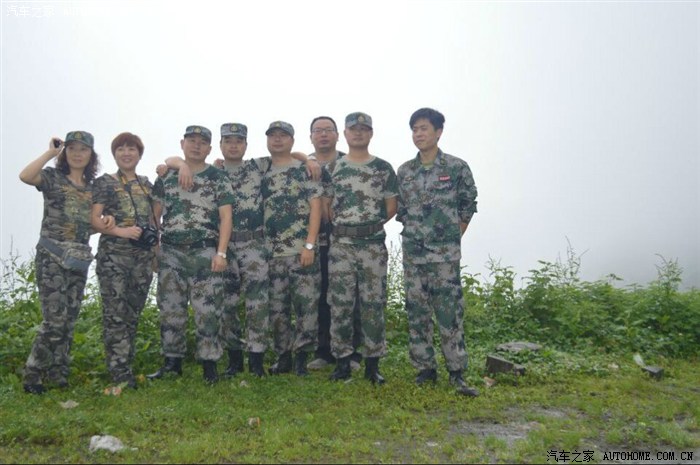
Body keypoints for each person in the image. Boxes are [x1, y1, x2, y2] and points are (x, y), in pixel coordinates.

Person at [159, 124, 319, 378]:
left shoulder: (258, 167)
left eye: (239, 141)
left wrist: (308, 159)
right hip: (222, 246)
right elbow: (169, 161)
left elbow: (288, 156)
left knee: (258, 304)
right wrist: (179, 164)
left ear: (246, 145)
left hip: (254, 245)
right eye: (228, 141)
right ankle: (234, 360)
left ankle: (256, 360)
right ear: (220, 146)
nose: (233, 146)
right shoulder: (214, 171)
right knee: (226, 304)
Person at [396, 108, 480, 397]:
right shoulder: (405, 171)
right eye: (415, 129)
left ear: (438, 132)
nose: (418, 134)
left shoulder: (456, 167)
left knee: (449, 313)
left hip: (444, 257)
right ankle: (425, 369)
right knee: (417, 312)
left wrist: (452, 237)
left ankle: (457, 371)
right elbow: (402, 211)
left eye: (424, 128)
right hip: (414, 255)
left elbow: (468, 204)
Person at [19, 131, 108, 394]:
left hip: (78, 258)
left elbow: (92, 224)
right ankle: (33, 375)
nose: (77, 154)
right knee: (54, 320)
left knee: (69, 320)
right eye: (72, 149)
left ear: (91, 155)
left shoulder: (94, 188)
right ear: (65, 152)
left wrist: (107, 223)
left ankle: (58, 374)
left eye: (83, 149)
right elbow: (25, 176)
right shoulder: (52, 177)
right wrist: (50, 153)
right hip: (52, 257)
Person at [148, 125, 234, 384]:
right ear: (182, 144)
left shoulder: (217, 177)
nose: (196, 146)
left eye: (202, 142)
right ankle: (172, 362)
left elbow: (226, 217)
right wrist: (155, 250)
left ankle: (209, 364)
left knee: (207, 310)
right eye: (192, 140)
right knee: (170, 308)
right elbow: (155, 215)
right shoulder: (167, 177)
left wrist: (221, 253)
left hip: (204, 251)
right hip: (171, 251)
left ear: (209, 148)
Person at [325, 112, 398, 384]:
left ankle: (372, 364)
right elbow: (326, 205)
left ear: (371, 133)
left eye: (364, 129)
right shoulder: (333, 167)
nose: (358, 133)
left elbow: (391, 206)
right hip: (341, 247)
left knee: (373, 304)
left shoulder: (383, 168)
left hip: (372, 247)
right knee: (340, 304)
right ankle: (342, 362)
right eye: (353, 129)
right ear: (345, 134)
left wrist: (366, 225)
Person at [90, 132, 157, 390]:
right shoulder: (105, 183)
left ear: (139, 154)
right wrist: (121, 231)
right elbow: (93, 219)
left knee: (132, 314)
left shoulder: (146, 184)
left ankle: (125, 365)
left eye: (131, 149)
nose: (126, 154)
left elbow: (154, 219)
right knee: (115, 315)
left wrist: (155, 253)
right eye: (121, 149)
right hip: (114, 258)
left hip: (142, 258)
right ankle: (119, 373)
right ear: (114, 154)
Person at [262, 121, 323, 376]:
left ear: (292, 140)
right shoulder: (260, 169)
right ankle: (283, 356)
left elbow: (316, 208)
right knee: (277, 310)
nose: (277, 140)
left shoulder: (304, 170)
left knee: (306, 308)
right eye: (273, 136)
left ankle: (301, 358)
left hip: (301, 252)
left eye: (283, 136)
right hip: (272, 254)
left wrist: (309, 244)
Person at [306, 116, 363, 372]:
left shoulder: (349, 162)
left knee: (350, 297)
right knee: (319, 296)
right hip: (313, 242)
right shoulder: (303, 164)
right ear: (311, 136)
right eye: (318, 131)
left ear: (338, 135)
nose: (323, 135)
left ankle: (353, 352)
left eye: (328, 130)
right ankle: (324, 351)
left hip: (346, 241)